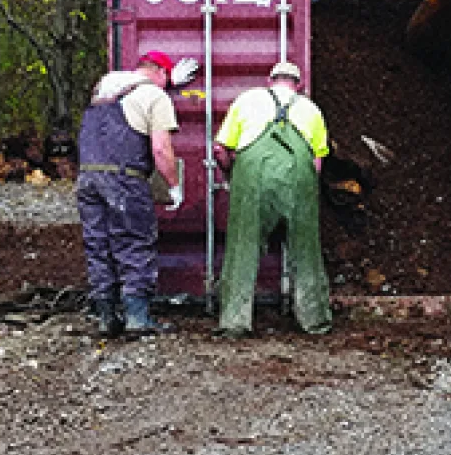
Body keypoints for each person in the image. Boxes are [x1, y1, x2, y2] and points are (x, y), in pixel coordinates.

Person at [77, 50, 197, 337]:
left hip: (88, 178)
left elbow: (127, 93)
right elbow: (160, 149)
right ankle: (137, 317)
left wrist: (165, 82)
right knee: (134, 243)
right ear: (162, 74)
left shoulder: (106, 84)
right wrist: (174, 185)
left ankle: (107, 317)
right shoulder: (156, 97)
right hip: (124, 180)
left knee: (98, 245)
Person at [212, 61, 332, 338]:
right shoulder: (311, 109)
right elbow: (316, 163)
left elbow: (220, 149)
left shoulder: (247, 100)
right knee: (306, 249)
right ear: (298, 85)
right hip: (299, 179)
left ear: (270, 80)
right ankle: (314, 320)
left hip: (252, 179)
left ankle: (234, 321)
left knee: (243, 246)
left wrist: (233, 175)